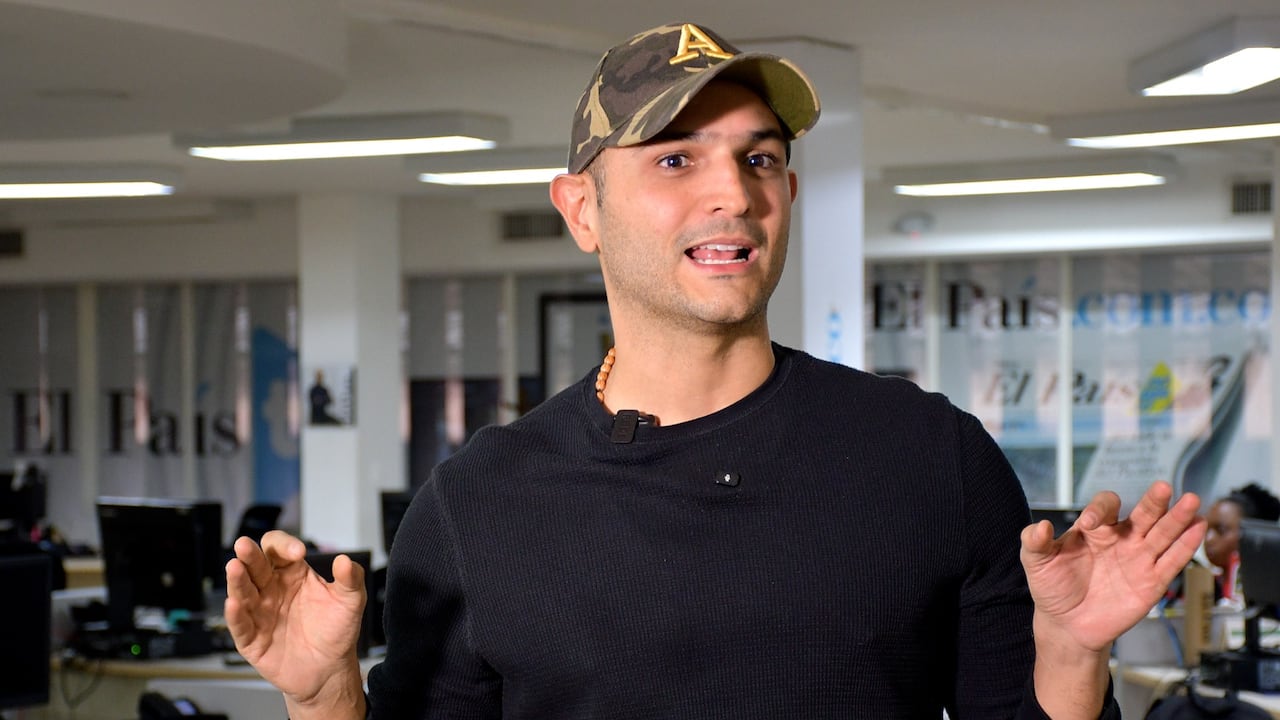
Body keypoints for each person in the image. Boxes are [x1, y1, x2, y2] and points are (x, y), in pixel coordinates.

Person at [225, 22, 1207, 720]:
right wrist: (323, 700)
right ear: (579, 210)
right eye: (673, 159)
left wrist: (1072, 654)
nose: (731, 194)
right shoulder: (476, 503)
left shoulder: (925, 455)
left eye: (760, 158)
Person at [1202, 482, 1280, 603]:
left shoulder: (1269, 591)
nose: (1208, 539)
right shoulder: (1201, 586)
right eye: (1207, 530)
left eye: (1220, 530)